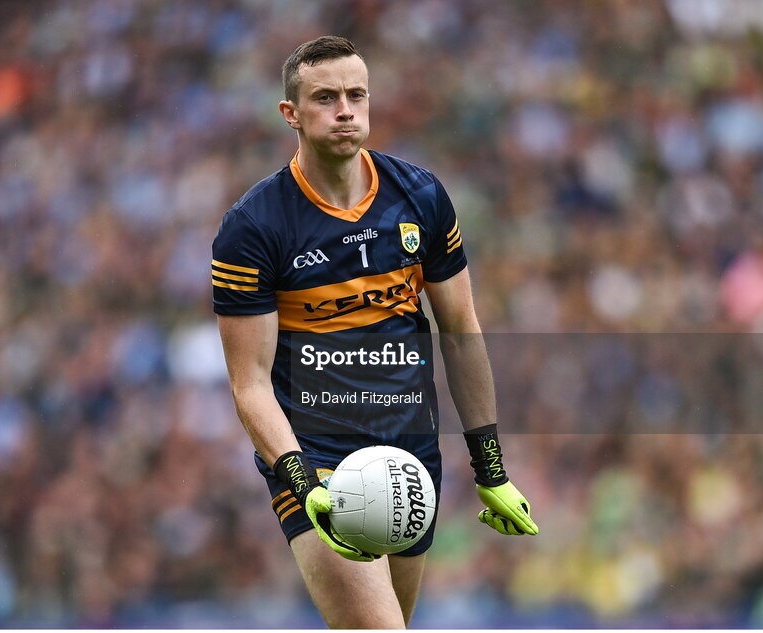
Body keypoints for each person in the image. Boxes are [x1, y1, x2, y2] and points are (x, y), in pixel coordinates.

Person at [212, 36, 538, 629]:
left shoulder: (420, 197)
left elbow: (461, 333)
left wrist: (490, 467)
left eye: (356, 94)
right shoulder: (253, 227)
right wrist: (298, 476)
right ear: (291, 114)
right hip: (319, 457)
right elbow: (250, 383)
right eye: (325, 97)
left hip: (410, 451)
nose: (345, 109)